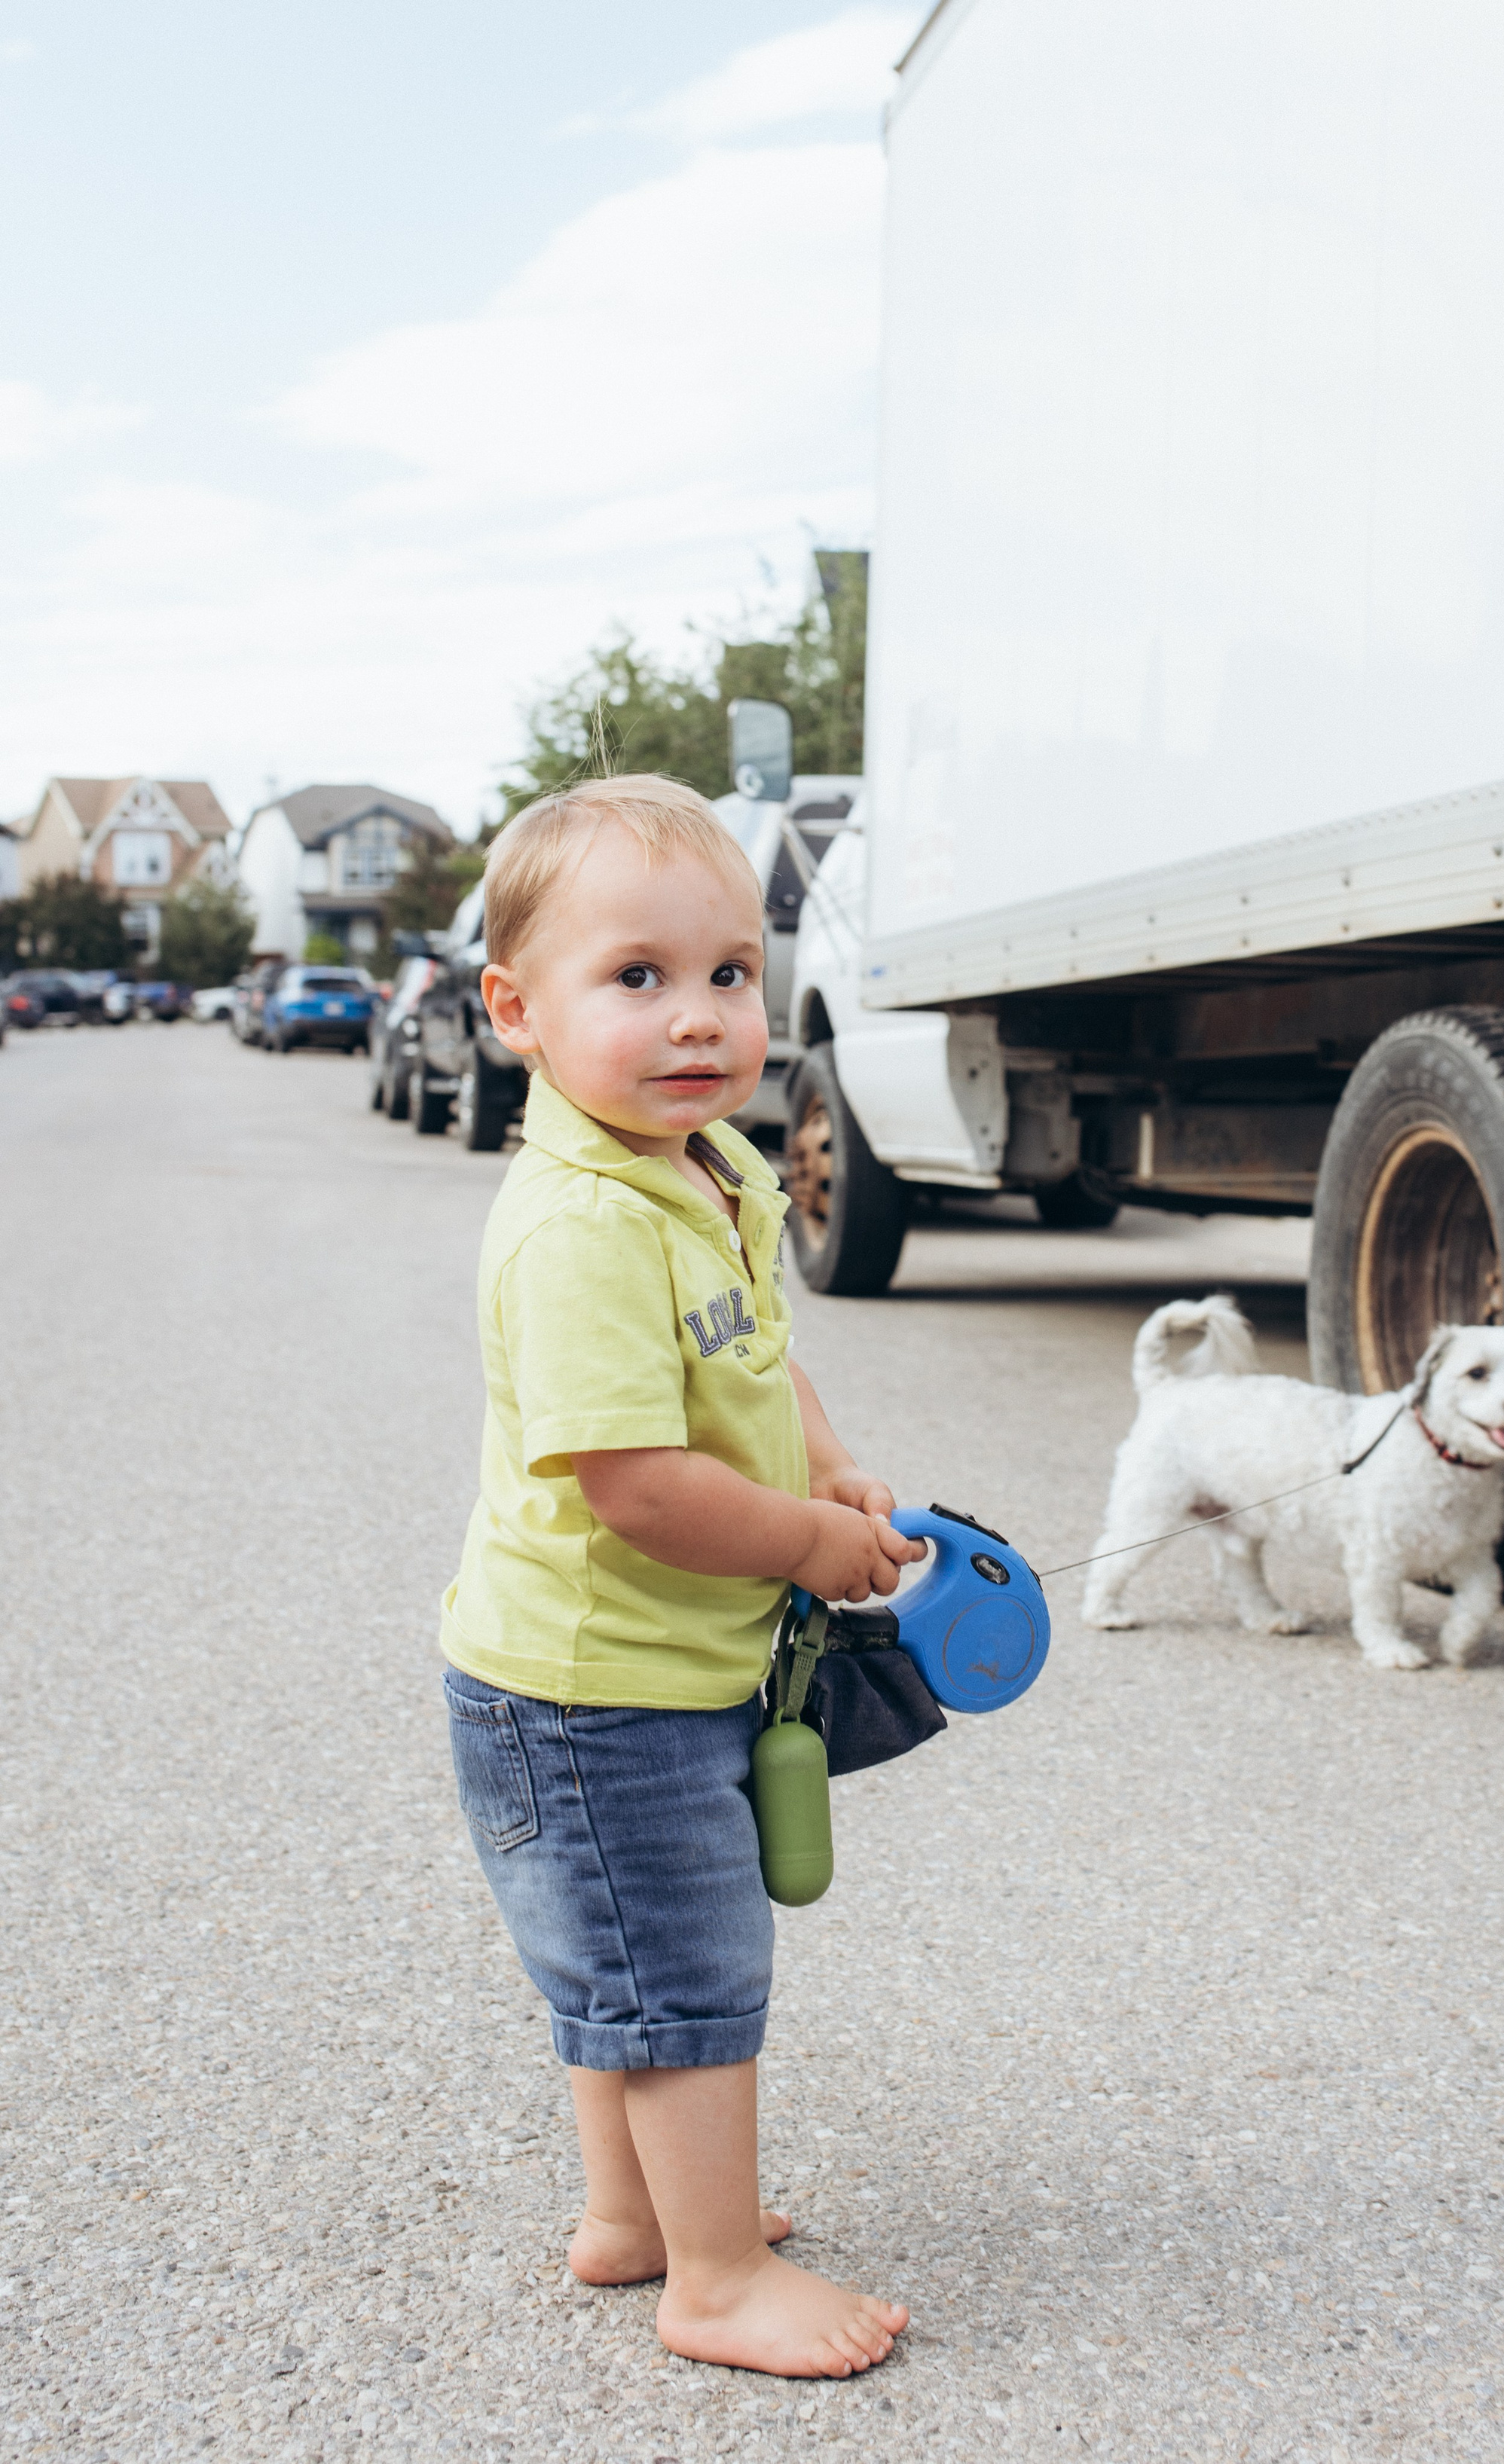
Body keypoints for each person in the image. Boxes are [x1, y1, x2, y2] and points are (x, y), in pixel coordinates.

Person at [439, 774, 922, 2377]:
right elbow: (636, 1484)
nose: (698, 1015)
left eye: (726, 971)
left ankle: (632, 2214)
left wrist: (827, 1465)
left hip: (657, 1669)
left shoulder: (704, 1166)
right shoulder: (578, 1221)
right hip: (591, 1687)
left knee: (626, 1967)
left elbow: (756, 1363)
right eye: (633, 977)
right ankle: (710, 2279)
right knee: (685, 1971)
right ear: (515, 1008)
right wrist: (807, 1545)